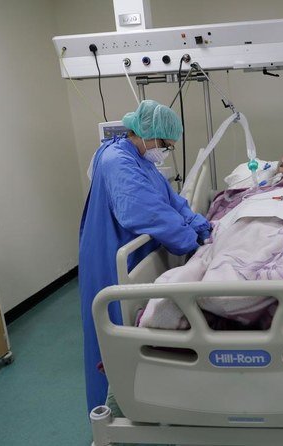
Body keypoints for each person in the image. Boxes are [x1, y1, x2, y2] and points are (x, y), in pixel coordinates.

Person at [79, 100, 210, 413]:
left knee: (136, 329)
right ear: (147, 134)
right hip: (110, 253)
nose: (165, 152)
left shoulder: (142, 161)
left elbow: (170, 200)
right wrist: (190, 242)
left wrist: (201, 226)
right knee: (111, 334)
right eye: (165, 145)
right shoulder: (116, 160)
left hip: (134, 251)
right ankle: (111, 411)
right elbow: (144, 212)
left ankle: (150, 399)